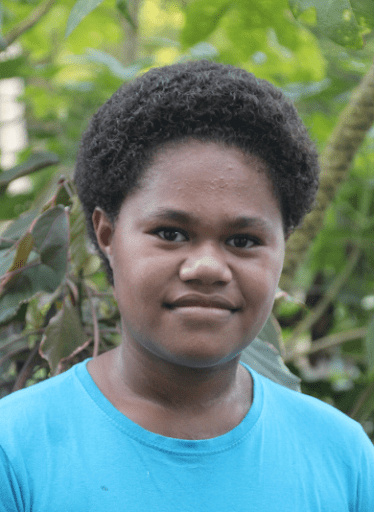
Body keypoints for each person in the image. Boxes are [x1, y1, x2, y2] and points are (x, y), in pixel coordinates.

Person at [1, 60, 373, 512]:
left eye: (243, 240)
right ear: (106, 235)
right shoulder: (16, 451)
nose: (207, 267)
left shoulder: (343, 457)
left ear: (282, 249)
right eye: (171, 233)